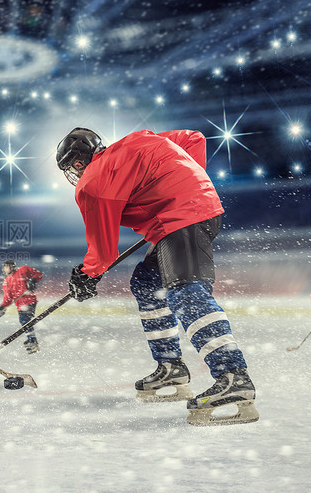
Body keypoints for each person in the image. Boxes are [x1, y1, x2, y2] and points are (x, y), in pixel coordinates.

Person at [55, 127, 258, 426]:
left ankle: (234, 378)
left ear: (77, 163)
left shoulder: (91, 182)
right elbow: (194, 139)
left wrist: (86, 276)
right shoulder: (139, 138)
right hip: (188, 212)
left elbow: (103, 251)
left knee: (186, 292)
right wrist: (183, 183)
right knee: (147, 283)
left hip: (182, 217)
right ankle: (171, 366)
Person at [0, 259, 44, 354]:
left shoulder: (23, 270)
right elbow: (8, 298)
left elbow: (39, 274)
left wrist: (32, 280)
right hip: (20, 305)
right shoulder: (7, 281)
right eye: (4, 268)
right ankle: (31, 338)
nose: (5, 269)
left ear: (12, 267)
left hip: (29, 301)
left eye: (6, 267)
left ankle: (32, 340)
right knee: (25, 321)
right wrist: (1, 308)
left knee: (24, 320)